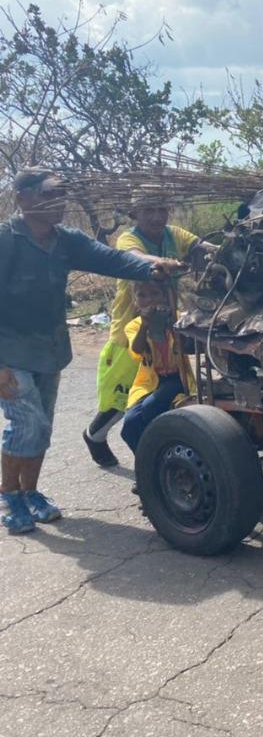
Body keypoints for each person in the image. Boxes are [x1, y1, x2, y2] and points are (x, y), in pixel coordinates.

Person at [0, 168, 184, 535]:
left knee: (43, 427)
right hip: (10, 350)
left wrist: (154, 267)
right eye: (50, 194)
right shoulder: (7, 240)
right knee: (27, 424)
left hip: (49, 347)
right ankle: (9, 496)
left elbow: (112, 259)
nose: (60, 203)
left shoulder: (64, 240)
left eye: (62, 195)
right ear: (23, 199)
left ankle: (31, 491)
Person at [84, 195, 200, 468]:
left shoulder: (174, 234)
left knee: (164, 393)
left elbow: (199, 246)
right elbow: (135, 257)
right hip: (130, 332)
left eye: (162, 209)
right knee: (121, 398)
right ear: (136, 212)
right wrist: (161, 262)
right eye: (149, 210)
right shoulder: (128, 238)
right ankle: (95, 436)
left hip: (166, 329)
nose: (158, 216)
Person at [119, 280, 195, 454]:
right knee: (129, 425)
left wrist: (171, 324)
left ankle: (160, 454)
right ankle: (147, 465)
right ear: (135, 301)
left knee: (150, 408)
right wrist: (145, 324)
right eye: (142, 295)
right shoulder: (134, 325)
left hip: (178, 379)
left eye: (155, 294)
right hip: (150, 382)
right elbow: (136, 350)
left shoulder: (178, 317)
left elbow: (188, 348)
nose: (149, 300)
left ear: (165, 297)